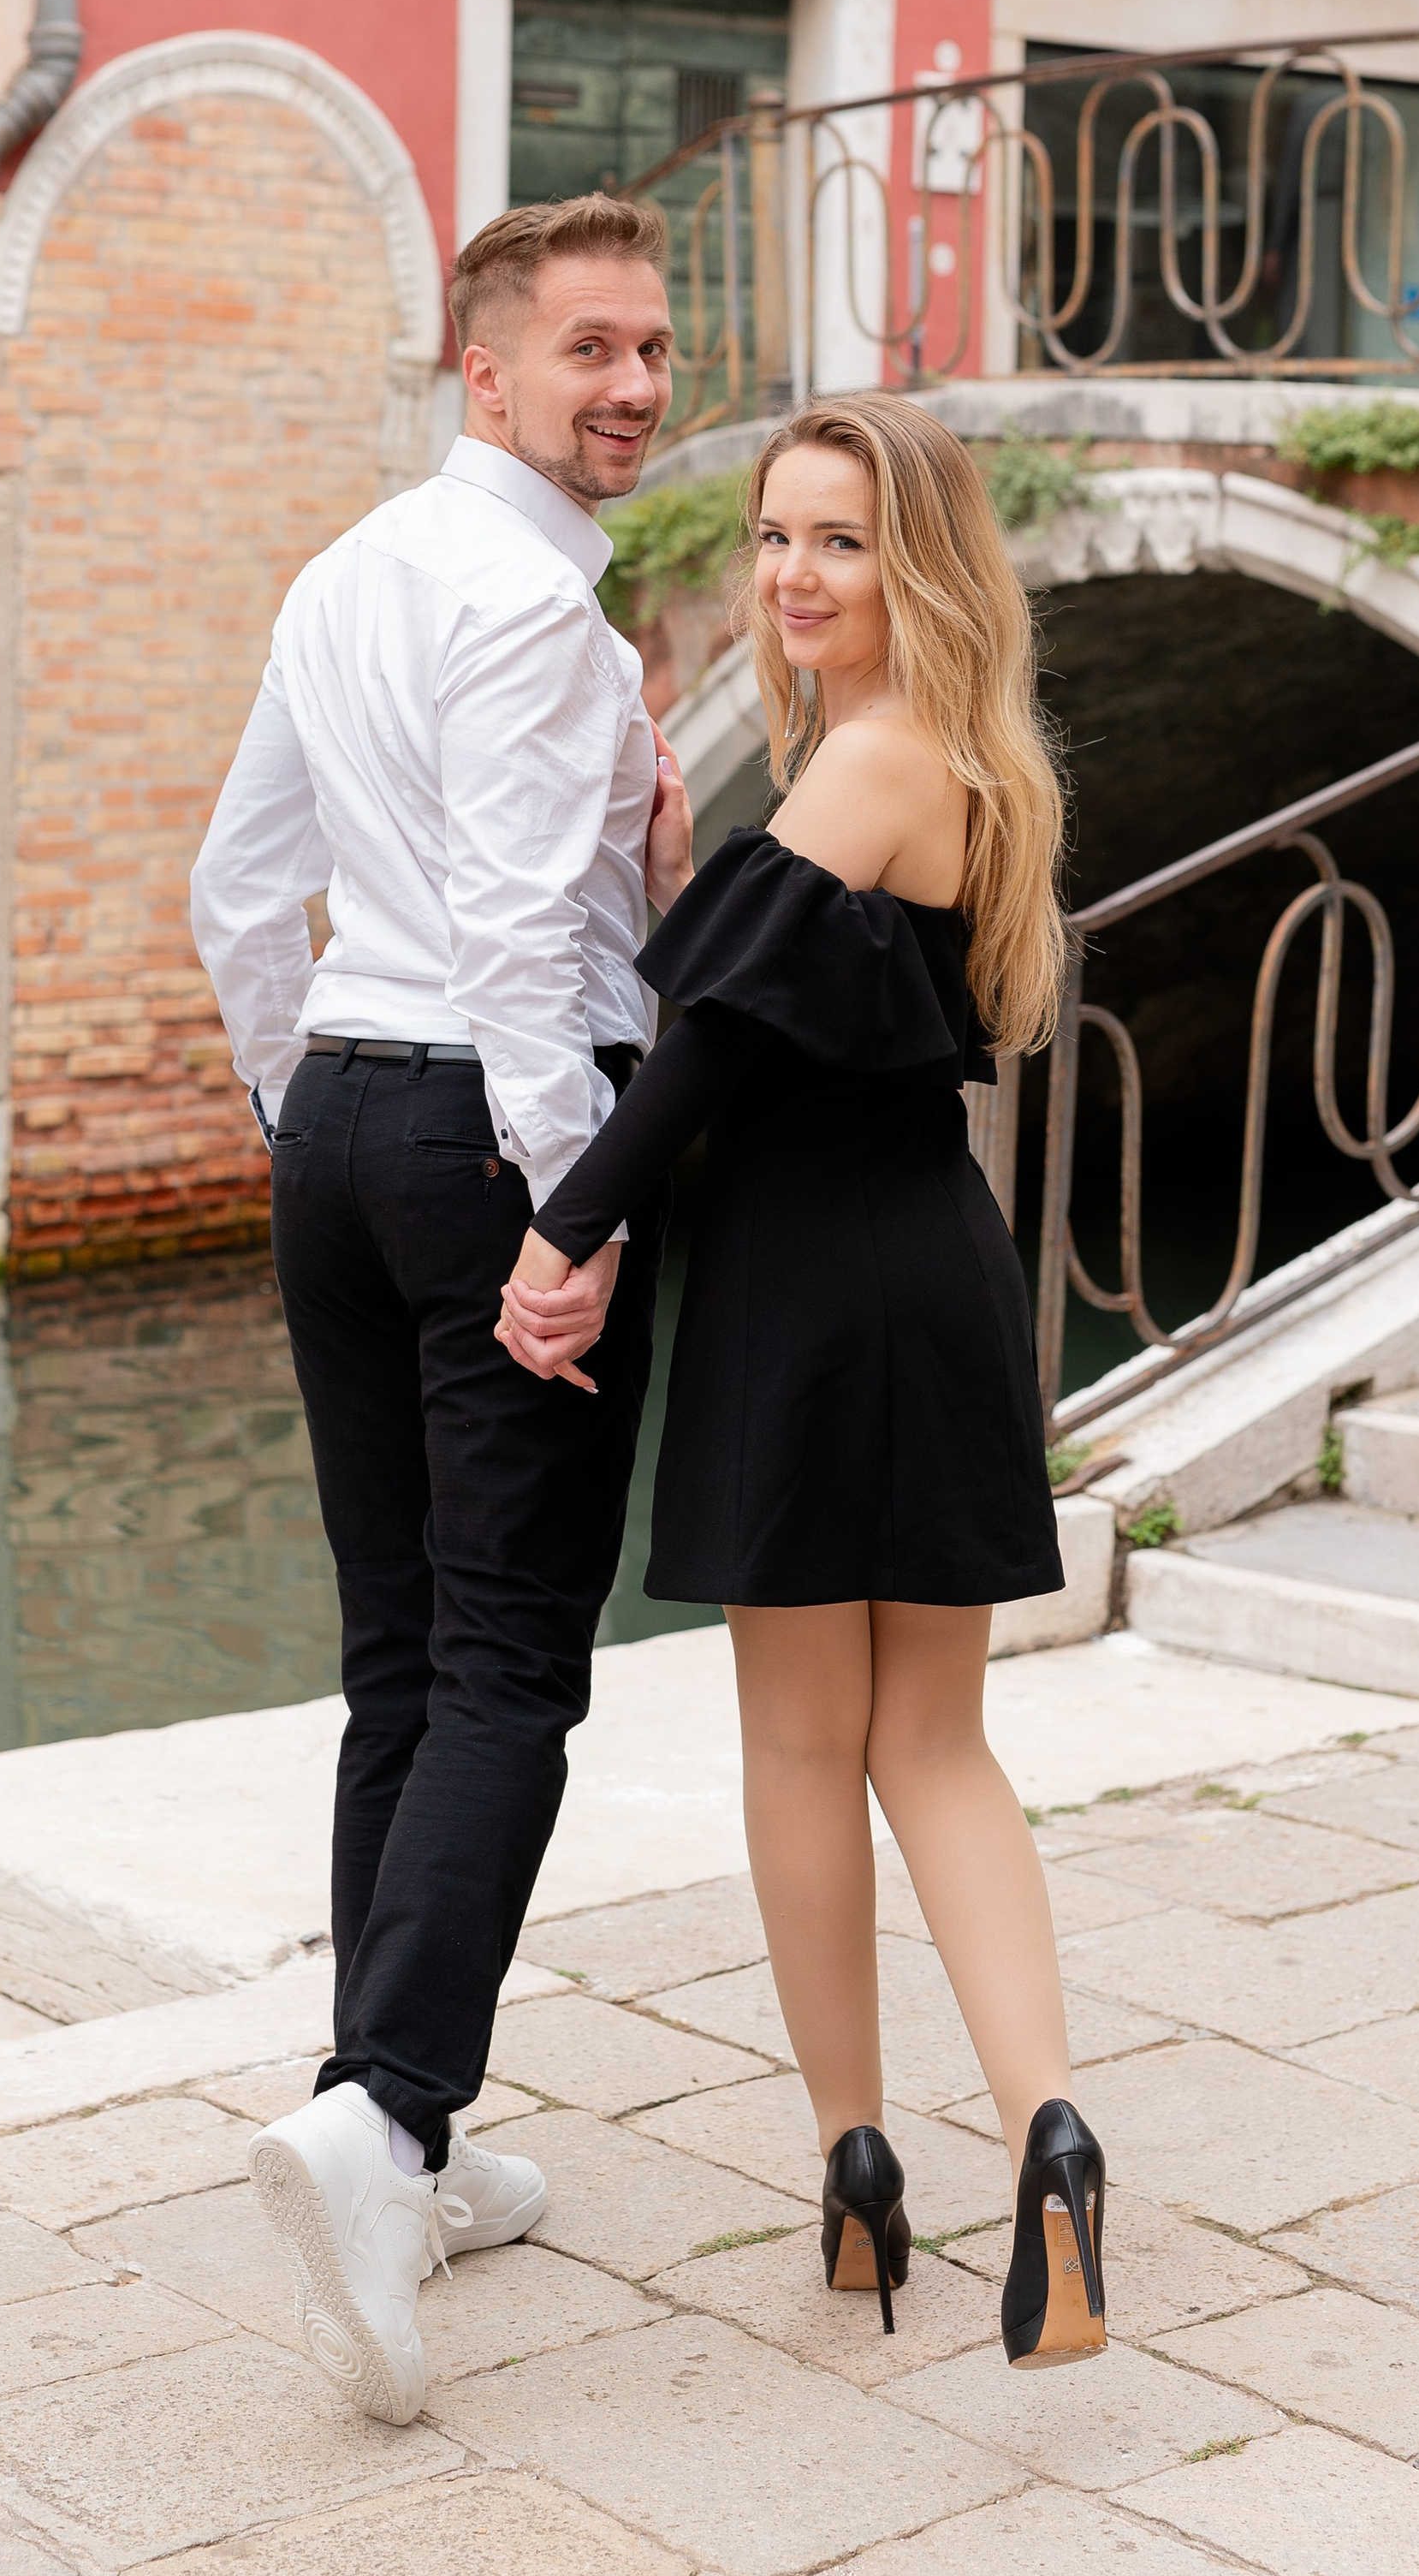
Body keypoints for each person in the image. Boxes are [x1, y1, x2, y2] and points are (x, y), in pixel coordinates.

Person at [499, 392, 1109, 2369]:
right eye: (771, 535)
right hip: (930, 1268)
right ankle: (1051, 2135)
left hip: (801, 1286)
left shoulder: (867, 758)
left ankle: (855, 2162)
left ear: (910, 559)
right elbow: (800, 984)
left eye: (834, 539)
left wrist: (561, 1229)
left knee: (797, 1748)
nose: (787, 572)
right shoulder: (972, 767)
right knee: (934, 1746)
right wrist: (709, 861)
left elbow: (697, 1061)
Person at [190, 190, 692, 2428]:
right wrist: (563, 1211)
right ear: (480, 373)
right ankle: (389, 2115)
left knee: (399, 1654)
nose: (634, 384)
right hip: (490, 1135)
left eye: (655, 347)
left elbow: (235, 890)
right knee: (506, 1664)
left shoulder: (344, 573)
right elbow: (515, 946)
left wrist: (310, 1117)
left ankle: (389, 2117)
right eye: (589, 347)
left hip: (343, 1130)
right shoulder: (534, 613)